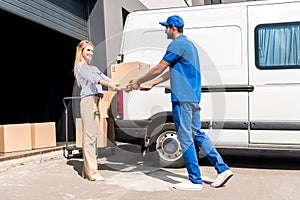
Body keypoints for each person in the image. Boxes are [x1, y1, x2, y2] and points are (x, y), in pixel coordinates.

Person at [127, 15, 233, 190]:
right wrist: (152, 83)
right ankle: (222, 169)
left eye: (166, 27)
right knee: (196, 133)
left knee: (184, 137)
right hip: (192, 97)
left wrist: (138, 80)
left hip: (182, 98)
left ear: (173, 28)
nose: (164, 30)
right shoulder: (189, 45)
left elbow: (160, 67)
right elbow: (171, 72)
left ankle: (195, 180)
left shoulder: (177, 44)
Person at [73, 40, 119, 181]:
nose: (90, 53)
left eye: (92, 51)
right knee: (89, 138)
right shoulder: (80, 67)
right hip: (88, 101)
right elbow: (96, 80)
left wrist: (123, 84)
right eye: (88, 50)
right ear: (81, 51)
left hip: (97, 101)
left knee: (93, 137)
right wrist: (109, 85)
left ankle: (88, 171)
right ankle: (92, 173)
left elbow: (107, 78)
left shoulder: (93, 67)